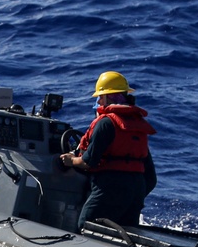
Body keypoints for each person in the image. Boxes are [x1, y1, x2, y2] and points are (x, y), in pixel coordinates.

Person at [59, 71, 156, 230]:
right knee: (127, 232)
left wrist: (70, 160)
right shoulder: (138, 126)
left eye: (99, 97)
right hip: (136, 190)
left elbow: (88, 162)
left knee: (86, 225)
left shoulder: (105, 123)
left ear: (106, 97)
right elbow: (151, 178)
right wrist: (131, 196)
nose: (98, 101)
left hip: (110, 186)